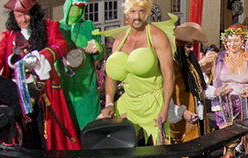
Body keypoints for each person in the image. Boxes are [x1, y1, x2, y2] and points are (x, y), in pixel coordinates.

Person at [0, 0, 81, 158]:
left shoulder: (49, 27)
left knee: (40, 136)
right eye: (18, 16)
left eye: (26, 14)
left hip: (41, 89)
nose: (23, 19)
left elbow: (61, 45)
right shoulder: (8, 35)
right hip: (17, 90)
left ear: (34, 12)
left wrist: (43, 56)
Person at [100, 0, 174, 145]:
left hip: (153, 103)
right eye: (133, 12)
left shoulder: (157, 36)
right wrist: (109, 104)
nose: (137, 17)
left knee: (158, 157)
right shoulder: (119, 41)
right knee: (99, 136)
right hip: (129, 102)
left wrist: (165, 107)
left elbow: (168, 74)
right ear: (127, 13)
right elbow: (111, 75)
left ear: (147, 13)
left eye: (141, 11)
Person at [211, 24, 248, 134]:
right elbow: (209, 80)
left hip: (244, 99)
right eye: (229, 41)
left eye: (236, 41)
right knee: (227, 139)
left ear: (243, 41)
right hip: (225, 101)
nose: (232, 44)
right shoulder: (218, 58)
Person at [56, 0, 102, 131]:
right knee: (66, 134)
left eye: (83, 7)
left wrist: (98, 48)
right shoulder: (57, 27)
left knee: (89, 133)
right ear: (68, 6)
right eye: (77, 7)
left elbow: (99, 57)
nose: (80, 11)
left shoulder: (88, 26)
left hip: (86, 92)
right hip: (63, 90)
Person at [170, 22, 209, 143]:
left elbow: (199, 86)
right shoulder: (171, 66)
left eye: (192, 45)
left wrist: (217, 91)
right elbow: (166, 98)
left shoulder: (190, 62)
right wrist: (182, 113)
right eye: (188, 45)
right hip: (181, 124)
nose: (191, 49)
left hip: (198, 118)